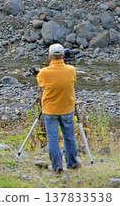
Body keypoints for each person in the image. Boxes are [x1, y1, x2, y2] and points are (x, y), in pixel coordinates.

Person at [37, 43, 79, 174]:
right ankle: (72, 163)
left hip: (50, 110)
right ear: (63, 55)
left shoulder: (44, 72)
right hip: (67, 108)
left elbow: (41, 83)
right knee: (69, 137)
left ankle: (57, 166)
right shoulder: (71, 70)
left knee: (53, 138)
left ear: (50, 57)